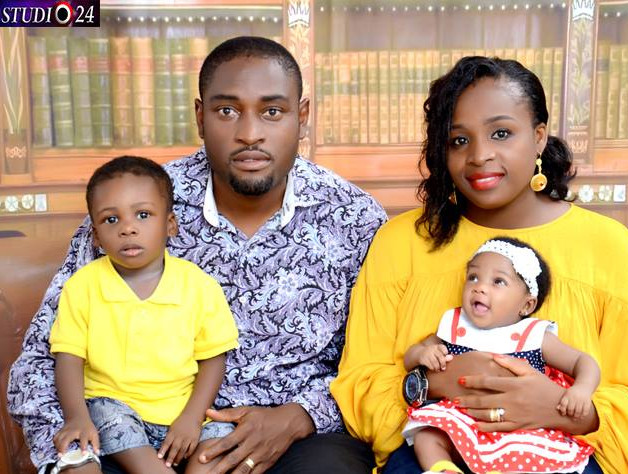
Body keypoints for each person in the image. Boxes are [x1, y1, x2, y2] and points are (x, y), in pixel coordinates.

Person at [8, 36, 386, 474]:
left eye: (272, 111)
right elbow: (39, 362)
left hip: (297, 441)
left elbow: (377, 365)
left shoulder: (354, 218)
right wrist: (75, 455)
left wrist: (302, 416)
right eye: (227, 111)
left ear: (301, 117)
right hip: (141, 438)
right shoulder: (138, 204)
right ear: (200, 117)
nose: (249, 133)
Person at [330, 56, 628, 474]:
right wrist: (435, 384)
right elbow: (359, 384)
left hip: (555, 456)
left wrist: (559, 408)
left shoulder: (607, 245)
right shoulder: (401, 242)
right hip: (436, 452)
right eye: (458, 140)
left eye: (501, 133)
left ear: (539, 137)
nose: (479, 155)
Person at [49, 156, 240, 473]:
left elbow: (213, 358)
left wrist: (192, 418)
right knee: (106, 415)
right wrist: (76, 417)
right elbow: (68, 357)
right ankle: (150, 467)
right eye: (111, 219)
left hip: (181, 412)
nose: (128, 228)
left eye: (143, 214)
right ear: (95, 235)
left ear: (170, 224)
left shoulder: (199, 286)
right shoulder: (82, 286)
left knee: (221, 438)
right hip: (115, 409)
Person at [402, 237, 599, 474]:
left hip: (516, 426)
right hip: (462, 419)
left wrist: (581, 389)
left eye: (498, 281)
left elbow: (583, 361)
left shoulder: (533, 335)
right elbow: (410, 357)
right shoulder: (454, 325)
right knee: (427, 436)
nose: (480, 287)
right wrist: (423, 354)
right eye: (473, 277)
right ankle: (444, 469)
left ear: (526, 305)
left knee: (524, 452)